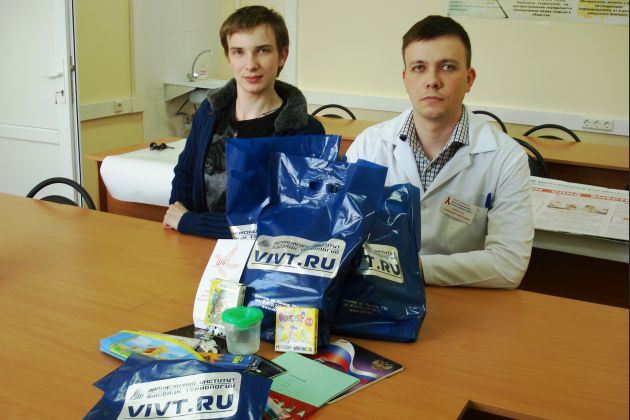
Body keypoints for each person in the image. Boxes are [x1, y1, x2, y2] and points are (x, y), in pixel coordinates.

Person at [346, 15, 533, 288]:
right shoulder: (369, 145)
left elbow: (509, 264)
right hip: (377, 294)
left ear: (469, 79)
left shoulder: (506, 158)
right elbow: (343, 233)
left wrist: (412, 268)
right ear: (405, 78)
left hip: (464, 299)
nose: (432, 80)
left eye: (447, 67)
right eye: (419, 68)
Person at [164, 5, 324, 238]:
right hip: (195, 246)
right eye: (238, 52)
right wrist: (178, 215)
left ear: (283, 55)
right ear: (228, 57)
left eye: (262, 50)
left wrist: (190, 222)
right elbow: (186, 173)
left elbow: (286, 219)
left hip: (262, 256)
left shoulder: (306, 131)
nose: (250, 65)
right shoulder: (209, 112)